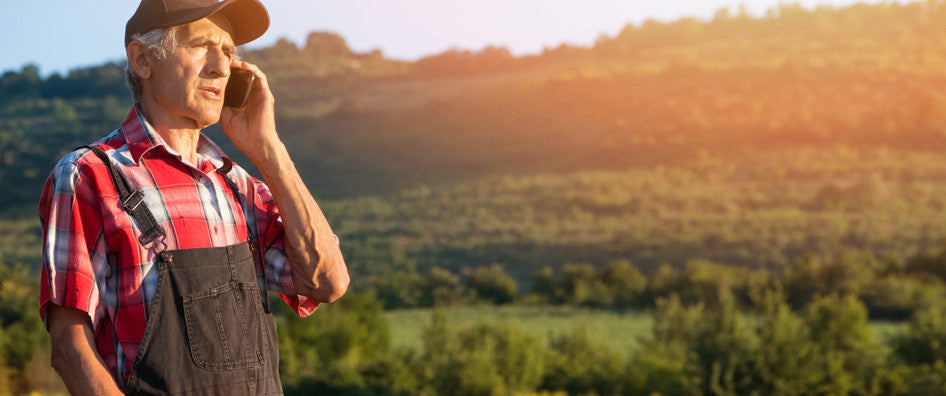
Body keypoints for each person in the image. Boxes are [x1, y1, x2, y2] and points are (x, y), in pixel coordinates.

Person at [37, 0, 349, 394]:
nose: (221, 67)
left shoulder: (238, 185)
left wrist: (267, 148)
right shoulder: (90, 175)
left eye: (229, 52)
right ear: (143, 59)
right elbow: (69, 345)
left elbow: (327, 281)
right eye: (202, 45)